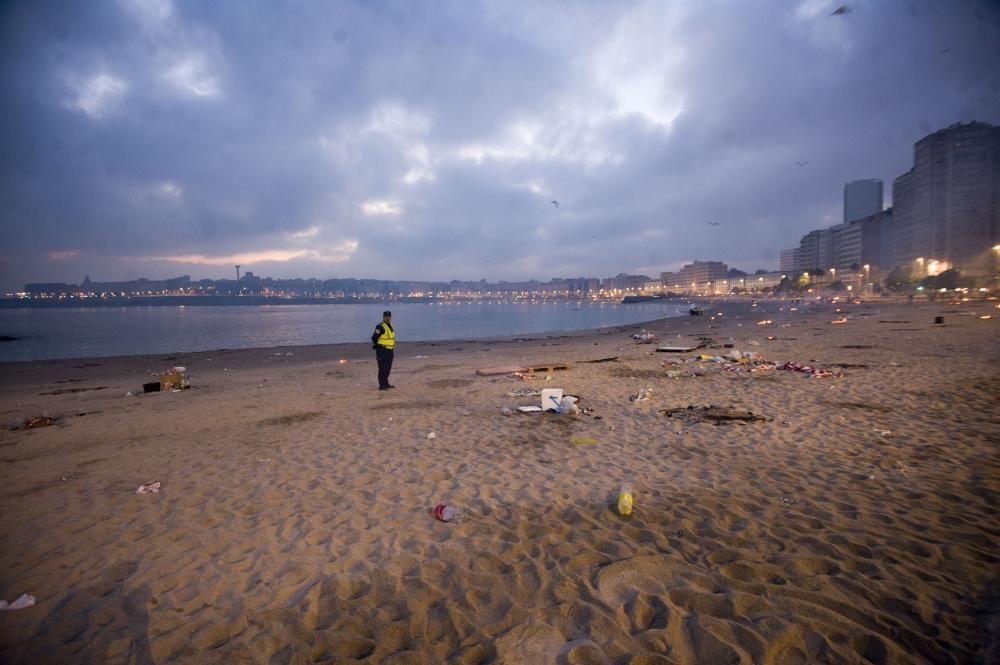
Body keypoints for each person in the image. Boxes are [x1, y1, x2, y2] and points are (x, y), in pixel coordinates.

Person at [371, 310, 396, 390]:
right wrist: (377, 345)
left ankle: (386, 383)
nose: (388, 318)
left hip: (390, 350)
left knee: (388, 368)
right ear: (383, 317)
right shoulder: (380, 327)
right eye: (386, 316)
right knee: (382, 368)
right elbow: (374, 337)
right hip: (382, 351)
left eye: (389, 316)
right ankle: (382, 385)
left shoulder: (391, 325)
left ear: (391, 317)